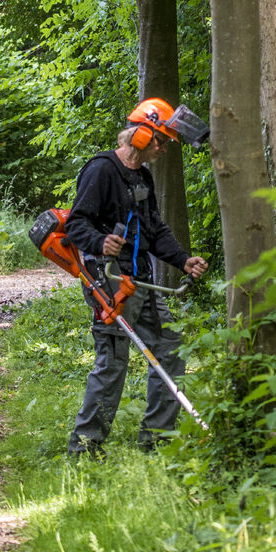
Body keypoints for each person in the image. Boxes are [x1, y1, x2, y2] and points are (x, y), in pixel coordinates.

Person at [64, 107, 209, 457]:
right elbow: (76, 224)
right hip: (110, 279)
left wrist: (182, 259)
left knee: (170, 348)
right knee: (113, 363)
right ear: (141, 136)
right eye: (161, 141)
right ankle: (85, 447)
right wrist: (100, 242)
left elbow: (154, 228)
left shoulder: (143, 176)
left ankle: (157, 439)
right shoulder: (101, 170)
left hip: (141, 278)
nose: (163, 149)